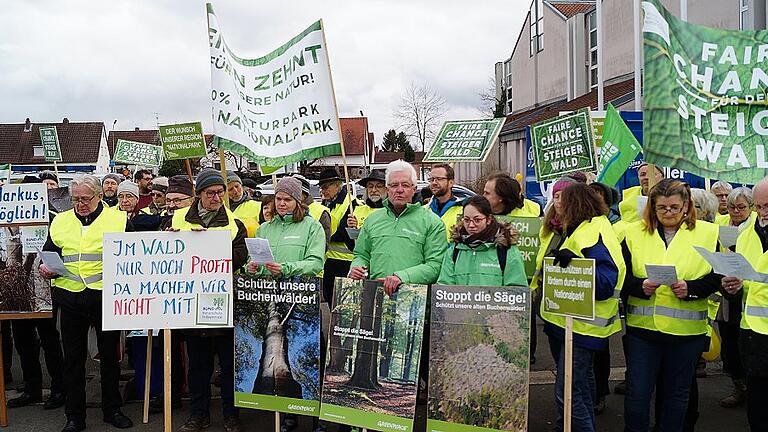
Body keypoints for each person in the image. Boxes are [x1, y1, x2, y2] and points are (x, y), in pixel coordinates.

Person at [621, 178, 722, 432]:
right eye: (662, 208)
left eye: (674, 208)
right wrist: (640, 286)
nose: (668, 213)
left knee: (677, 397)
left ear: (686, 206)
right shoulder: (633, 233)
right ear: (652, 208)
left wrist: (691, 289)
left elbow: (718, 277)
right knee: (637, 395)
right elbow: (620, 276)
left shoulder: (710, 234)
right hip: (643, 331)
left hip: (686, 334)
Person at [38, 174, 133, 432]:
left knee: (110, 357)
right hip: (70, 297)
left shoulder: (118, 218)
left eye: (85, 199)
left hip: (105, 295)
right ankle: (75, 416)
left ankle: (112, 409)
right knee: (73, 359)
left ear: (100, 196)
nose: (80, 204)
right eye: (76, 199)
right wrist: (45, 267)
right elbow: (49, 251)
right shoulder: (60, 221)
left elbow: (134, 256)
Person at [539, 183, 624, 432]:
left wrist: (575, 265)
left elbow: (606, 282)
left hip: (582, 327)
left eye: (562, 199)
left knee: (568, 393)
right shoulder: (577, 229)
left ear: (576, 204)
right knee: (581, 387)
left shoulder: (593, 231)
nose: (557, 204)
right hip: (567, 324)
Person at [245, 177, 326, 432]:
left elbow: (316, 263)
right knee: (280, 356)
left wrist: (288, 268)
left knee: (311, 357)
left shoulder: (312, 228)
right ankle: (289, 414)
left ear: (298, 200)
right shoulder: (265, 229)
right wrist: (252, 268)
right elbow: (256, 262)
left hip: (304, 300)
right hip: (273, 300)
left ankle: (319, 417)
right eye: (278, 199)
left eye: (287, 199)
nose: (281, 204)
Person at [172, 169, 248, 432]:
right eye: (210, 193)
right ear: (199, 194)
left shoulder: (234, 223)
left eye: (220, 192)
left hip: (224, 303)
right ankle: (198, 414)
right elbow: (166, 254)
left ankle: (231, 415)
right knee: (199, 366)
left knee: (229, 366)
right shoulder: (179, 218)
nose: (216, 197)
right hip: (192, 305)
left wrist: (212, 249)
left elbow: (241, 256)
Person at [7, 176, 65, 411]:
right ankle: (32, 388)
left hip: (45, 289)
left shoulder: (53, 218)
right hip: (16, 292)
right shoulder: (7, 220)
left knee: (50, 341)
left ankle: (59, 389)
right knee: (23, 341)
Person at [348, 160, 446, 292]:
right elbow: (361, 255)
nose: (399, 190)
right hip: (376, 296)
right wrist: (357, 268)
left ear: (414, 189)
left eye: (405, 185)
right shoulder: (372, 220)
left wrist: (402, 277)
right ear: (388, 189)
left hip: (413, 301)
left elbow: (435, 265)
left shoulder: (432, 222)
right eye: (394, 185)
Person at [721, 177, 768, 430]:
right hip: (753, 332)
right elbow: (743, 277)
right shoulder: (745, 234)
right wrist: (733, 287)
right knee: (758, 404)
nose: (763, 213)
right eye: (759, 207)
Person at [437, 195, 527, 286]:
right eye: (467, 220)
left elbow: (516, 292)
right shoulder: (454, 252)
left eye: (477, 220)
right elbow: (444, 290)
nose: (471, 225)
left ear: (488, 219)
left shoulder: (507, 251)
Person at [319, 168, 358, 305]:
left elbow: (343, 233)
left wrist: (323, 235)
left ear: (337, 185)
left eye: (325, 187)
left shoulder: (351, 203)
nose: (323, 191)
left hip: (346, 263)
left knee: (345, 306)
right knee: (331, 301)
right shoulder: (325, 204)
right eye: (321, 188)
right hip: (329, 263)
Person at [426, 163, 463, 239]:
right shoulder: (423, 211)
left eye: (439, 179)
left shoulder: (462, 211)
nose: (434, 183)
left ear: (451, 183)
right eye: (432, 179)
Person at [294, 174, 332, 248]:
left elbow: (324, 244)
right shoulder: (285, 211)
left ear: (304, 194)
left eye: (295, 192)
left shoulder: (321, 212)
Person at [227, 171, 261, 237]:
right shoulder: (220, 209)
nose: (235, 191)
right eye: (230, 189)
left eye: (237, 186)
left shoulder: (257, 206)